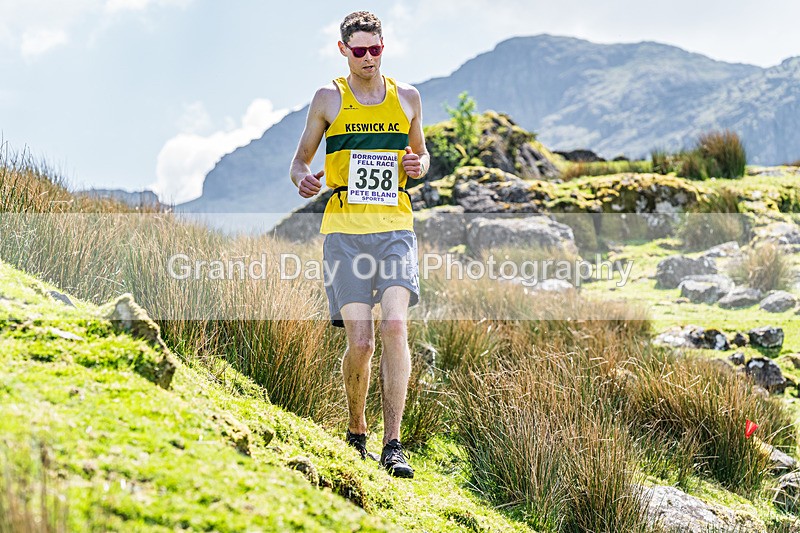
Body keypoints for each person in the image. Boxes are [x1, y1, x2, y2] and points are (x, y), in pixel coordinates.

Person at [289, 11, 429, 479]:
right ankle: (356, 431)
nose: (369, 58)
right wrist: (303, 180)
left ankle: (393, 445)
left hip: (395, 229)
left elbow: (421, 154)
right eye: (359, 50)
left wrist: (418, 166)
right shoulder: (329, 98)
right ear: (343, 50)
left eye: (376, 48)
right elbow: (299, 162)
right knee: (363, 342)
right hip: (345, 233)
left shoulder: (407, 98)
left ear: (384, 46)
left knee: (393, 325)